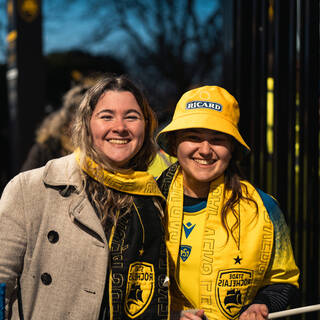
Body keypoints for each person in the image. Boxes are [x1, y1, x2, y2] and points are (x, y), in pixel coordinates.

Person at [0, 74, 170, 319]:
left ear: (146, 126)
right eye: (106, 116)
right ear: (87, 124)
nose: (120, 127)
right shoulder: (30, 188)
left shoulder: (154, 197)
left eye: (131, 117)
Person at [156, 85, 300, 320]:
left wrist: (262, 305)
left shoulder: (265, 207)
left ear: (232, 148)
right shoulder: (143, 203)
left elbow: (283, 282)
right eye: (193, 137)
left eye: (218, 139)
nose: (205, 150)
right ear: (174, 144)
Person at [21, 83, 92, 171]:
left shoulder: (100, 149)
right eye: (82, 119)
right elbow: (27, 180)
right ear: (68, 121)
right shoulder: (46, 148)